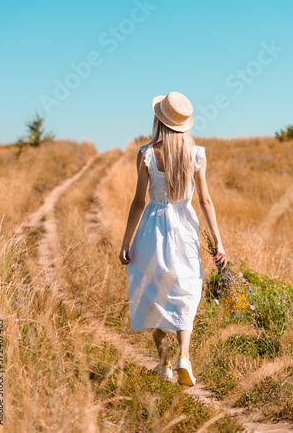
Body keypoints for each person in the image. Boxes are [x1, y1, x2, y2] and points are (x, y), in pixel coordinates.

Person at [119, 91, 227, 386]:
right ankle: (184, 357)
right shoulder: (196, 154)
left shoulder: (146, 154)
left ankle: (164, 364)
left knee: (156, 293)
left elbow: (138, 202)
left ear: (159, 119)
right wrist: (218, 242)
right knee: (186, 291)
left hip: (153, 228)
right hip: (185, 228)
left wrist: (126, 242)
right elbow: (205, 201)